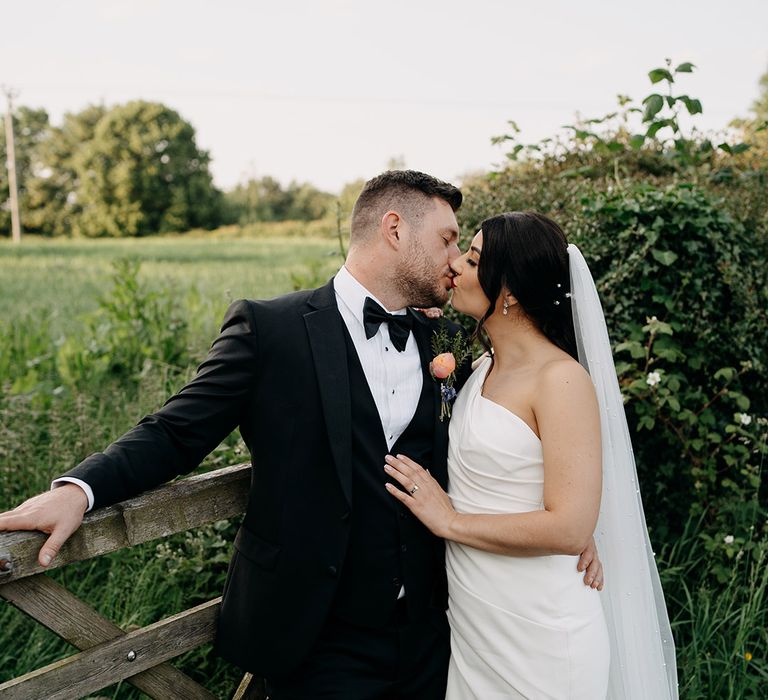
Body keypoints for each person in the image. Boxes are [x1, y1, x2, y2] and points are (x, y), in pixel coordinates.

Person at [0, 174, 602, 700]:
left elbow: (488, 459)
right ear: (395, 229)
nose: (454, 261)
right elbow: (175, 431)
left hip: (436, 634)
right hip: (316, 639)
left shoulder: (439, 339)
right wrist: (80, 489)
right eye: (448, 240)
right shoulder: (270, 329)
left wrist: (568, 530)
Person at [385, 212, 678, 699]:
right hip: (476, 626)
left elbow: (569, 528)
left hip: (541, 634)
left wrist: (451, 522)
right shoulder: (477, 369)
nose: (454, 265)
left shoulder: (560, 381)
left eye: (473, 258)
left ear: (512, 290)